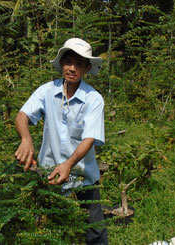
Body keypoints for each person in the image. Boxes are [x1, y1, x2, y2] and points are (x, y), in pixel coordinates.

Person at [14, 37, 108, 244]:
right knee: (51, 229)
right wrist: (26, 139)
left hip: (83, 176)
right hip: (50, 175)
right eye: (68, 62)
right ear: (61, 64)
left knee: (95, 229)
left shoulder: (93, 99)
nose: (72, 68)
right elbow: (22, 116)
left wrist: (68, 164)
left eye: (79, 63)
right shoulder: (47, 91)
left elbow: (90, 138)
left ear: (87, 67)